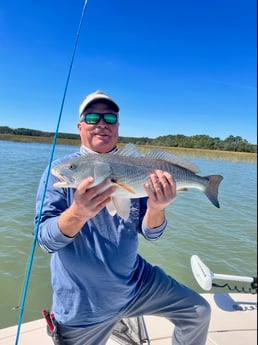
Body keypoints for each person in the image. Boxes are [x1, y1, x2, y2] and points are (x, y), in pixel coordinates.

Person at [35, 90, 211, 345]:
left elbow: (152, 234)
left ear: (118, 126)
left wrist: (156, 207)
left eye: (110, 118)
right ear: (80, 126)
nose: (102, 124)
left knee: (198, 312)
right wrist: (78, 213)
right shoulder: (59, 173)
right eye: (93, 117)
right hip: (84, 304)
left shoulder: (137, 168)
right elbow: (45, 241)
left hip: (137, 284)